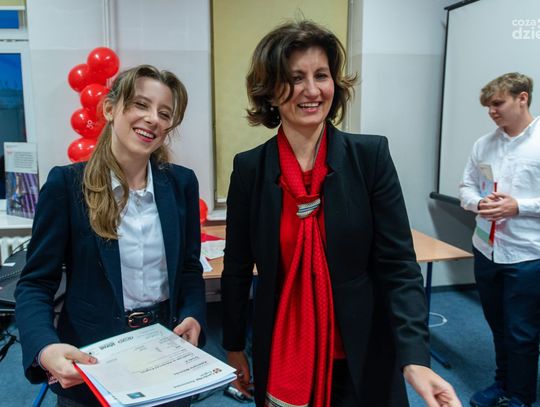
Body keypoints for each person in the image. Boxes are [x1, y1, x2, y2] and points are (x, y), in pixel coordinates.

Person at [221, 20, 460, 407]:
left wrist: (415, 357)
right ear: (271, 90)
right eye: (295, 78)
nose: (312, 90)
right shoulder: (251, 169)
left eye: (321, 75)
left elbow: (398, 266)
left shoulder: (370, 157)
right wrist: (233, 345)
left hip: (362, 350)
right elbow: (237, 266)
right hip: (283, 349)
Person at [15, 65, 206, 407]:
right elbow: (35, 284)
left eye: (164, 113)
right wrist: (45, 347)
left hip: (166, 354)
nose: (153, 119)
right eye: (141, 105)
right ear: (109, 108)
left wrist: (193, 313)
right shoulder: (66, 185)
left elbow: (189, 268)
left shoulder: (181, 184)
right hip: (92, 359)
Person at [459, 72, 540, 407]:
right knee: (498, 326)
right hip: (486, 249)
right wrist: (479, 203)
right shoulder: (484, 144)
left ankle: (520, 396)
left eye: (497, 104)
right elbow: (466, 187)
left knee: (522, 332)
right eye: (488, 106)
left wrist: (517, 206)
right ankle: (502, 383)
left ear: (522, 98)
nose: (491, 111)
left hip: (527, 255)